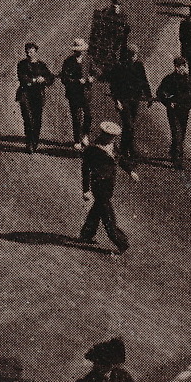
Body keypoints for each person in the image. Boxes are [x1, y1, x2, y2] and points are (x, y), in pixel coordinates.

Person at [78, 122, 138, 253]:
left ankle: (86, 233)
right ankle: (120, 241)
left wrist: (131, 171)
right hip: (98, 185)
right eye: (109, 136)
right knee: (108, 215)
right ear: (102, 134)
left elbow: (119, 159)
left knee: (97, 209)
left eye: (113, 136)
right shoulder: (93, 149)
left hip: (109, 184)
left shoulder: (112, 146)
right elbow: (85, 170)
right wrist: (86, 190)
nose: (112, 138)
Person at [101, 45, 152, 161]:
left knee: (130, 126)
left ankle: (124, 149)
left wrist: (149, 97)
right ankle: (129, 149)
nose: (134, 57)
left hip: (135, 100)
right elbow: (113, 86)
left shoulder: (139, 66)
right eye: (132, 55)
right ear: (128, 55)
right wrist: (116, 101)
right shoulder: (119, 66)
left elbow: (144, 81)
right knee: (128, 125)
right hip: (123, 100)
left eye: (135, 55)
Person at [153, 57, 191, 169]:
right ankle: (178, 161)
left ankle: (174, 152)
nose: (179, 69)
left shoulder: (190, 80)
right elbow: (160, 92)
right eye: (177, 67)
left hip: (184, 110)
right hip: (173, 111)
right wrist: (169, 101)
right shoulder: (170, 79)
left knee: (181, 133)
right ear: (175, 67)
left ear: (185, 67)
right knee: (177, 132)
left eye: (181, 66)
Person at [15, 43, 58, 153]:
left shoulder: (41, 65)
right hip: (25, 94)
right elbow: (22, 77)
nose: (29, 53)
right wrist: (34, 80)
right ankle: (29, 142)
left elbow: (51, 77)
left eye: (32, 51)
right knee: (28, 119)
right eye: (27, 51)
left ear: (36, 52)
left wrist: (44, 79)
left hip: (38, 95)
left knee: (37, 119)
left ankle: (35, 142)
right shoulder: (22, 64)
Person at [61, 39, 96, 147]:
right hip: (74, 94)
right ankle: (77, 140)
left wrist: (92, 77)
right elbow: (64, 79)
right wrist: (76, 81)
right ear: (74, 51)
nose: (79, 52)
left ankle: (85, 135)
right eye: (77, 50)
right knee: (76, 117)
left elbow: (95, 71)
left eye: (81, 50)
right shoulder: (68, 61)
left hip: (86, 93)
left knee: (89, 116)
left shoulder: (88, 59)